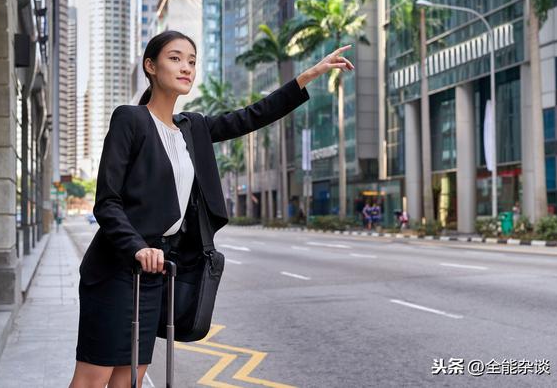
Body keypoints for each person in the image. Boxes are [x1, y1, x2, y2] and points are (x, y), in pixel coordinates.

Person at [67, 30, 355, 388]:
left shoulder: (193, 128)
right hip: (116, 269)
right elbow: (107, 202)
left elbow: (251, 116)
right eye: (175, 58)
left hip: (155, 271)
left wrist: (308, 76)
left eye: (191, 60)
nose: (186, 67)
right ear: (150, 66)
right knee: (93, 378)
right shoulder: (131, 119)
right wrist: (137, 247)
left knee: (130, 379)